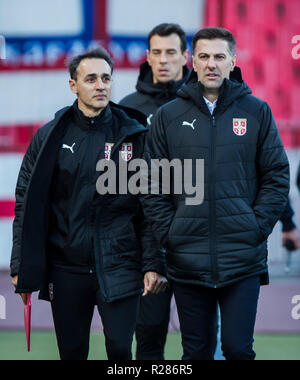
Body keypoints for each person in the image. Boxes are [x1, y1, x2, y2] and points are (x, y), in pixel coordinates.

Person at [141, 27, 290, 360]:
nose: (211, 64)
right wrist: (171, 232)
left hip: (242, 257)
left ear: (232, 61)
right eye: (204, 56)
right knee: (196, 351)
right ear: (192, 61)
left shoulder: (256, 111)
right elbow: (152, 182)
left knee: (238, 348)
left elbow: (277, 175)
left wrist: (255, 226)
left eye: (219, 57)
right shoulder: (168, 116)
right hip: (186, 258)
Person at [10, 47, 167, 360]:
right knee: (72, 352)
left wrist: (153, 263)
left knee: (121, 350)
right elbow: (27, 203)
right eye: (91, 78)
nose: (100, 85)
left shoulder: (134, 135)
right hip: (66, 267)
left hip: (120, 264)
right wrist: (20, 263)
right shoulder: (50, 136)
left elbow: (150, 208)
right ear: (73, 85)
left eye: (106, 78)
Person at [119, 23, 192, 360]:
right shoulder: (127, 108)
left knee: (204, 341)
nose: (163, 60)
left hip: (199, 239)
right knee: (148, 339)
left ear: (185, 56)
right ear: (147, 57)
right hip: (146, 245)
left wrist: (288, 221)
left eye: (171, 52)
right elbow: (117, 179)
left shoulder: (207, 103)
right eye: (157, 52)